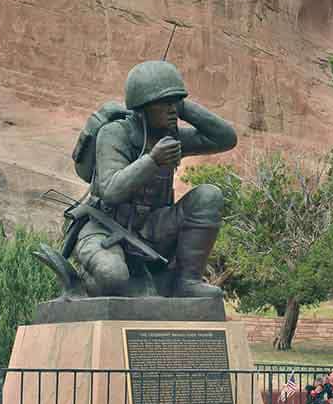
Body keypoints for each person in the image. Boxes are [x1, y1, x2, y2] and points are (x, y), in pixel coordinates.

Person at [72, 60, 237, 298]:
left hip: (152, 227)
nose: (172, 110)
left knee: (209, 195)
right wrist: (153, 160)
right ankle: (83, 286)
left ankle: (187, 282)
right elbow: (110, 190)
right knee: (112, 276)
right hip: (104, 226)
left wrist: (182, 105)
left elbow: (225, 138)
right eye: (165, 104)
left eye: (175, 103)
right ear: (143, 107)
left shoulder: (170, 135)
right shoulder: (115, 133)